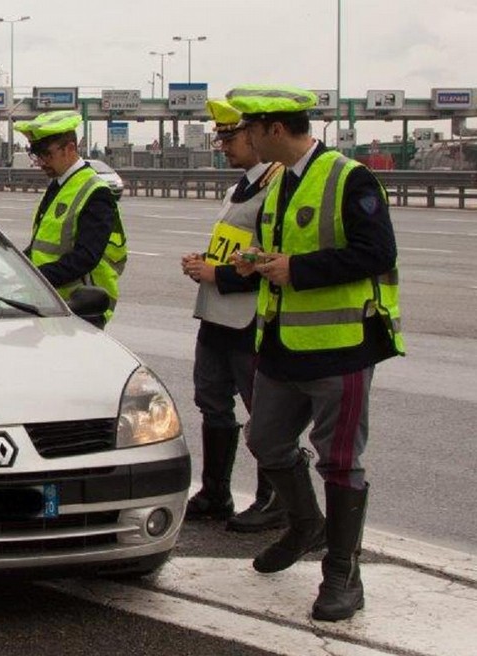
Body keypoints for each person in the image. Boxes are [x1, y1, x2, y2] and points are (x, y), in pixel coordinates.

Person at [226, 84, 404, 622]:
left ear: (275, 130)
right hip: (282, 343)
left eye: (251, 131)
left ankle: (343, 574)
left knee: (341, 462)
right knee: (266, 440)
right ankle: (306, 525)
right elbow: (287, 247)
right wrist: (254, 261)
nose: (247, 140)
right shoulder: (282, 182)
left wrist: (297, 272)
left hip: (341, 345)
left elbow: (378, 253)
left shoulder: (349, 177)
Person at [180, 99, 287, 533]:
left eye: (230, 137)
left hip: (249, 322)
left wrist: (216, 272)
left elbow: (268, 263)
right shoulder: (238, 188)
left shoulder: (276, 188)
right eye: (220, 137)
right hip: (216, 318)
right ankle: (216, 492)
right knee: (212, 405)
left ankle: (272, 499)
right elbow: (237, 248)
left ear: (255, 136)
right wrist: (205, 262)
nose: (223, 145)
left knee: (264, 414)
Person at [13, 110, 127, 326]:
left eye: (47, 154)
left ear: (70, 149)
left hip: (83, 307)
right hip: (54, 302)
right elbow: (41, 246)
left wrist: (36, 278)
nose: (41, 162)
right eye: (36, 155)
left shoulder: (95, 192)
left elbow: (86, 257)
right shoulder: (59, 183)